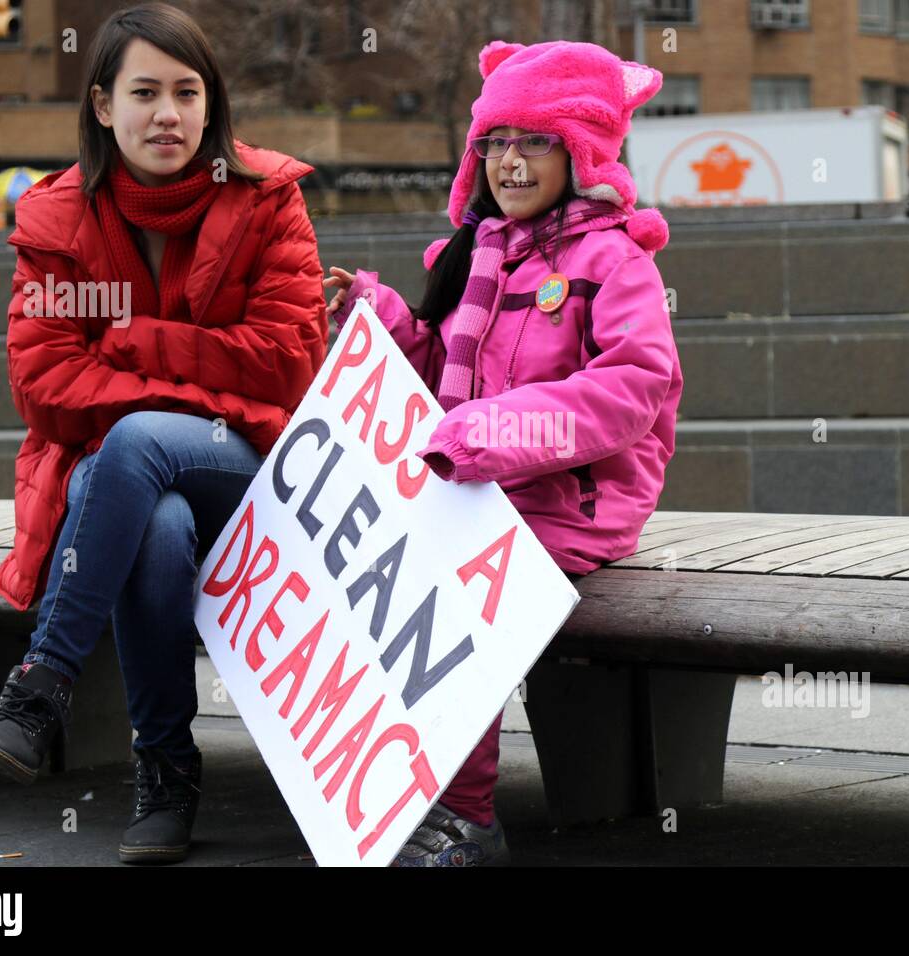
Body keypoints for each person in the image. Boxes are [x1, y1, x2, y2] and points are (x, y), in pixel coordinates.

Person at [0, 2, 327, 864]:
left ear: (211, 105)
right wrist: (194, 378)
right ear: (102, 106)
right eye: (144, 92)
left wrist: (129, 343)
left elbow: (286, 360)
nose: (168, 114)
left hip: (249, 467)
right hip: (116, 485)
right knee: (152, 517)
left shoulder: (270, 198)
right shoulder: (56, 222)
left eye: (187, 92)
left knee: (135, 442)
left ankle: (41, 686)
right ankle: (166, 769)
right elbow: (45, 382)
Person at [323, 39, 683, 866]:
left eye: (534, 142)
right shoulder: (476, 252)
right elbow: (438, 370)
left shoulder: (614, 259)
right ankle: (390, 790)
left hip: (575, 506)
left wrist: (489, 433)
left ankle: (468, 816)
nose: (509, 163)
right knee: (372, 569)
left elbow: (631, 390)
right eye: (494, 143)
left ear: (581, 150)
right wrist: (373, 316)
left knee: (447, 588)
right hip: (482, 488)